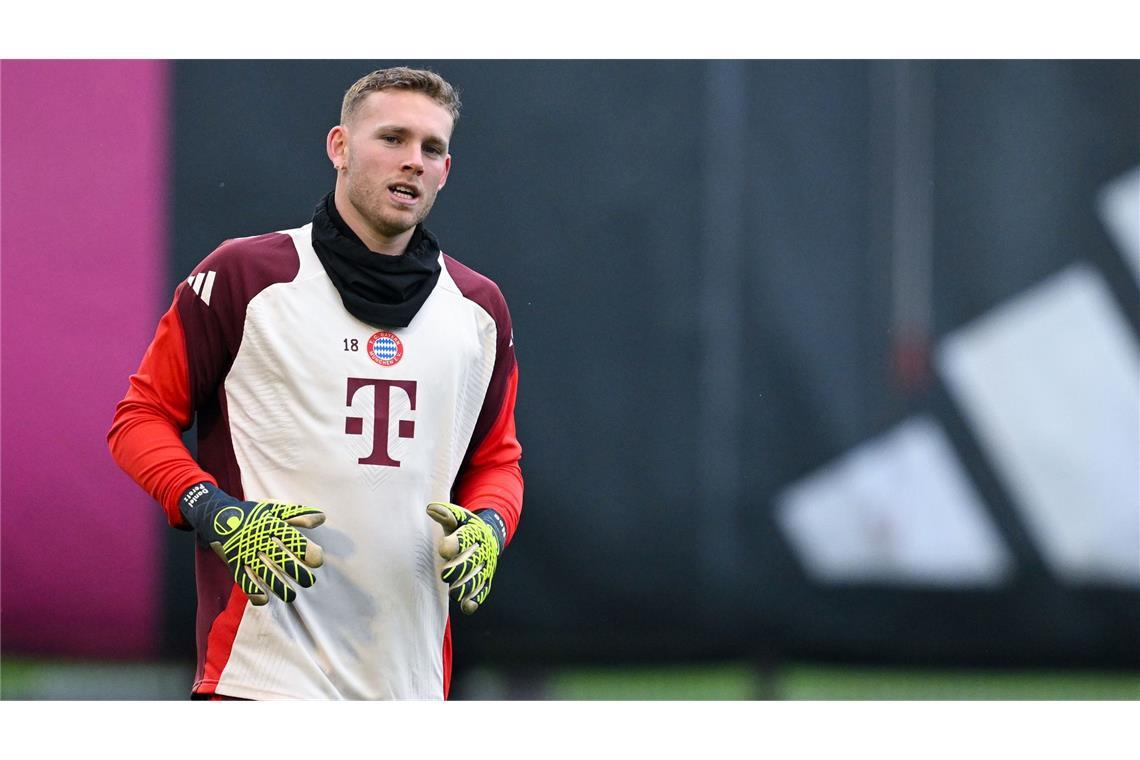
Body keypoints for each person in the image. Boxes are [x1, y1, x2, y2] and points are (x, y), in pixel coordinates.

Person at [108, 67, 523, 700]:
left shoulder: (478, 307)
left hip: (411, 685)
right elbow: (139, 419)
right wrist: (215, 512)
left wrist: (490, 527)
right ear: (339, 146)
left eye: (431, 148)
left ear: (446, 168)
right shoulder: (246, 275)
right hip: (259, 675)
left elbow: (498, 462)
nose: (413, 161)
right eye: (392, 138)